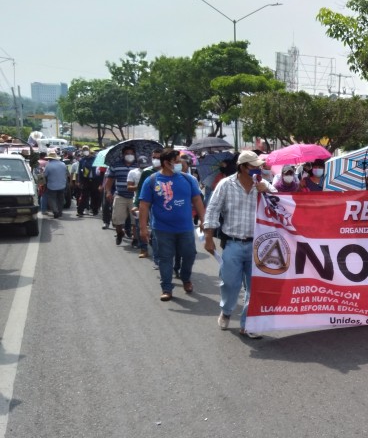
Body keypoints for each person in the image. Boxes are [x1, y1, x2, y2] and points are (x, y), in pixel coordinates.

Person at [203, 150, 275, 339]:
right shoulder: (226, 185)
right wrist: (208, 237)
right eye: (253, 166)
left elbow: (280, 203)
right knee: (230, 283)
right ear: (243, 167)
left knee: (255, 286)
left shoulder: (263, 184)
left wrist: (266, 192)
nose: (257, 169)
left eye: (259, 166)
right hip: (233, 243)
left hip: (257, 244)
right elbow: (212, 209)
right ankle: (226, 311)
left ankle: (248, 323)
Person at [138, 149, 206, 302]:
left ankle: (186, 278)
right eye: (176, 161)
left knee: (189, 254)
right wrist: (143, 228)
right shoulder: (152, 180)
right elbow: (144, 205)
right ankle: (166, 288)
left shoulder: (188, 179)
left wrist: (203, 220)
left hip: (186, 228)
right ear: (166, 163)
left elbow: (197, 200)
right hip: (162, 229)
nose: (180, 164)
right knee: (165, 258)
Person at [105, 145, 137, 246]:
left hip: (134, 196)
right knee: (117, 220)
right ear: (123, 155)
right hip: (120, 195)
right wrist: (108, 192)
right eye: (127, 153)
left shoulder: (139, 166)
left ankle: (135, 239)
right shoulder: (116, 165)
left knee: (135, 220)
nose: (129, 155)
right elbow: (109, 180)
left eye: (131, 153)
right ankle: (120, 233)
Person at [43, 149, 68, 218]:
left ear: (49, 158)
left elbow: (45, 175)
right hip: (62, 185)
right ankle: (59, 212)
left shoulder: (48, 165)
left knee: (51, 199)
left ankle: (55, 211)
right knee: (60, 199)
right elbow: (66, 174)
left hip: (52, 186)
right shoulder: (63, 164)